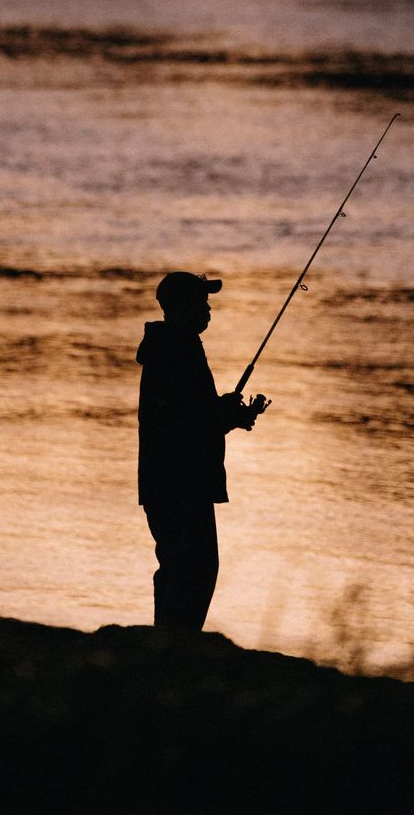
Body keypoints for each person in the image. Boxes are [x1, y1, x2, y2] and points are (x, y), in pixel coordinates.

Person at [136, 270, 269, 631]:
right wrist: (223, 416)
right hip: (178, 484)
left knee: (181, 566)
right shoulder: (175, 350)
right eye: (201, 301)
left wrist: (229, 414)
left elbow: (191, 413)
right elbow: (183, 422)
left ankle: (168, 640)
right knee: (194, 567)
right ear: (180, 307)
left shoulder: (174, 346)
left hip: (174, 483)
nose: (209, 309)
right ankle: (175, 644)